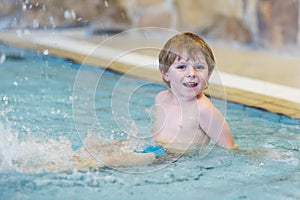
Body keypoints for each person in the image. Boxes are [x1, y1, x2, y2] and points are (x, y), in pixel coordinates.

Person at [152, 32, 238, 153]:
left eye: (199, 67)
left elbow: (230, 148)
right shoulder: (161, 98)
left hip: (180, 162)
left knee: (122, 161)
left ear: (208, 74)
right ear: (165, 73)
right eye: (181, 67)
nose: (192, 73)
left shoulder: (204, 110)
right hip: (156, 154)